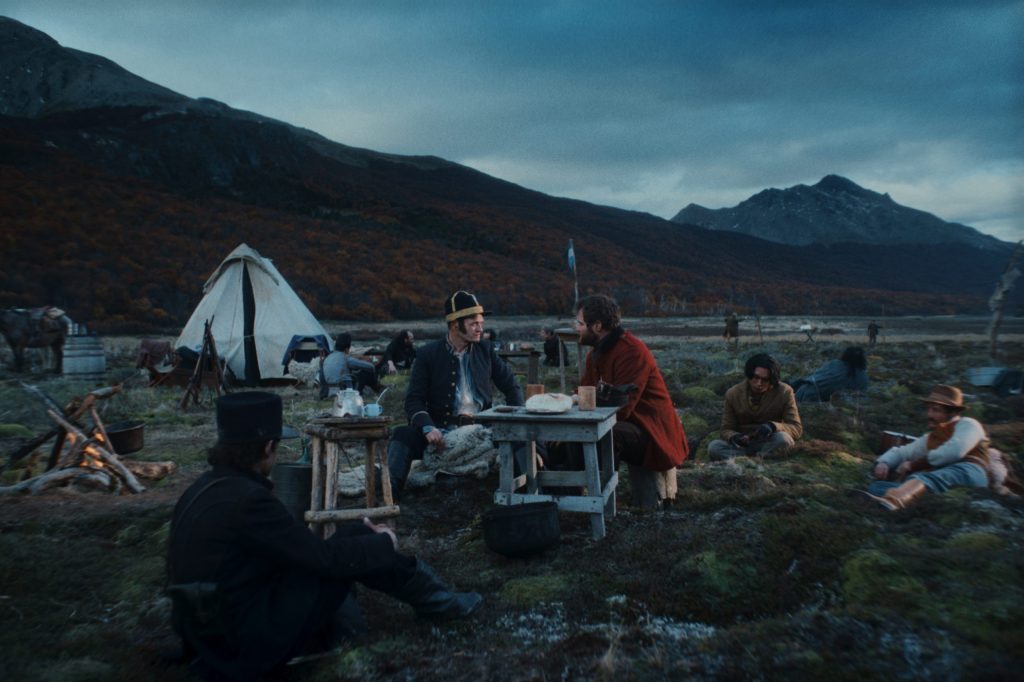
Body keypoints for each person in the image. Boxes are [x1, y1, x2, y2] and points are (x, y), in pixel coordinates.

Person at [167, 392, 481, 680]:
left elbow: (290, 552)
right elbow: (323, 560)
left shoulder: (202, 489)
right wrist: (383, 543)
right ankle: (438, 604)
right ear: (267, 448)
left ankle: (434, 603)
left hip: (210, 629)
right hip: (241, 643)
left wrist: (364, 540)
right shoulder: (249, 501)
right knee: (353, 552)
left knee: (357, 536)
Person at [386, 291, 523, 499]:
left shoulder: (485, 351)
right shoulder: (427, 354)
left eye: (481, 323)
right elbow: (414, 400)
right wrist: (428, 427)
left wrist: (516, 417)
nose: (480, 328)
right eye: (473, 323)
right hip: (441, 433)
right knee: (402, 434)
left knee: (522, 435)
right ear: (454, 324)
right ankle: (389, 496)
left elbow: (512, 387)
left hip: (481, 431)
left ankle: (532, 494)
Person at [562, 294, 688, 508]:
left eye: (580, 323)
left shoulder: (631, 352)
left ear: (598, 326)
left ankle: (600, 501)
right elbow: (585, 391)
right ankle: (567, 500)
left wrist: (583, 405)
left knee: (606, 433)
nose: (576, 328)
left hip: (652, 431)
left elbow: (621, 409)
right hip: (631, 424)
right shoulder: (597, 354)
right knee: (566, 434)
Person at [865, 385, 992, 511]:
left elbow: (954, 451)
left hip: (968, 471)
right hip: (940, 475)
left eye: (936, 410)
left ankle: (893, 501)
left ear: (952, 412)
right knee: (877, 487)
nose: (929, 414)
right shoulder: (932, 437)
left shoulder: (969, 424)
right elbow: (903, 452)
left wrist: (913, 465)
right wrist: (884, 463)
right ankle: (907, 501)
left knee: (922, 478)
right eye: (929, 409)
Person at [707, 353, 803, 460]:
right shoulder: (733, 393)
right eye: (756, 377)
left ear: (772, 380)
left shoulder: (785, 392)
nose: (759, 383)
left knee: (783, 439)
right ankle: (756, 459)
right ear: (749, 375)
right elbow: (726, 429)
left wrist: (773, 426)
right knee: (714, 447)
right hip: (742, 446)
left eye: (765, 380)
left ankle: (750, 460)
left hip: (769, 442)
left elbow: (796, 428)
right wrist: (734, 437)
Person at [789, 346, 868, 402]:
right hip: (818, 398)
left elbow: (814, 378)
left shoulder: (835, 364)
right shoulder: (862, 376)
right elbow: (860, 394)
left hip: (804, 393)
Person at [319, 332, 381, 397]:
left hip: (329, 391)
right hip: (345, 390)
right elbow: (371, 367)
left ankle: (376, 388)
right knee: (364, 372)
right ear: (347, 349)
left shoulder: (327, 358)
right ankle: (377, 389)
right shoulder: (346, 358)